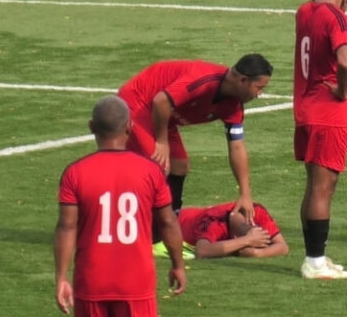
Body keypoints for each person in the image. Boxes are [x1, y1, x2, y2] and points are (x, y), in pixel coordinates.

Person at [54, 95, 187, 317]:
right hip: (135, 278)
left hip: (92, 278)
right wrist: (177, 262)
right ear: (129, 128)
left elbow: (66, 227)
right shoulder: (149, 171)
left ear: (91, 129)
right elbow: (167, 221)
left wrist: (61, 277)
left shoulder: (75, 172)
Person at [116, 54, 274, 223]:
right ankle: (141, 226)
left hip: (165, 114)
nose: (259, 94)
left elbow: (237, 147)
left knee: (179, 165)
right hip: (139, 102)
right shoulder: (202, 79)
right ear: (243, 80)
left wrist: (245, 193)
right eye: (259, 87)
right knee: (157, 165)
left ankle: (166, 229)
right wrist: (162, 142)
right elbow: (160, 101)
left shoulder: (233, 106)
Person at [293, 0, 347, 280]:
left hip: (306, 110)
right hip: (328, 112)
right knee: (323, 187)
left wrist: (340, 9)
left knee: (313, 185)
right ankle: (315, 262)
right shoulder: (338, 20)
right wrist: (343, 90)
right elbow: (343, 62)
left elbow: (320, 34)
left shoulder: (304, 11)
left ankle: (314, 256)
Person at [177, 202, 289, 259]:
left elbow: (283, 246)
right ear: (235, 238)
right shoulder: (214, 221)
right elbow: (202, 251)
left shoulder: (257, 212)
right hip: (174, 221)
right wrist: (247, 241)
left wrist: (259, 253)